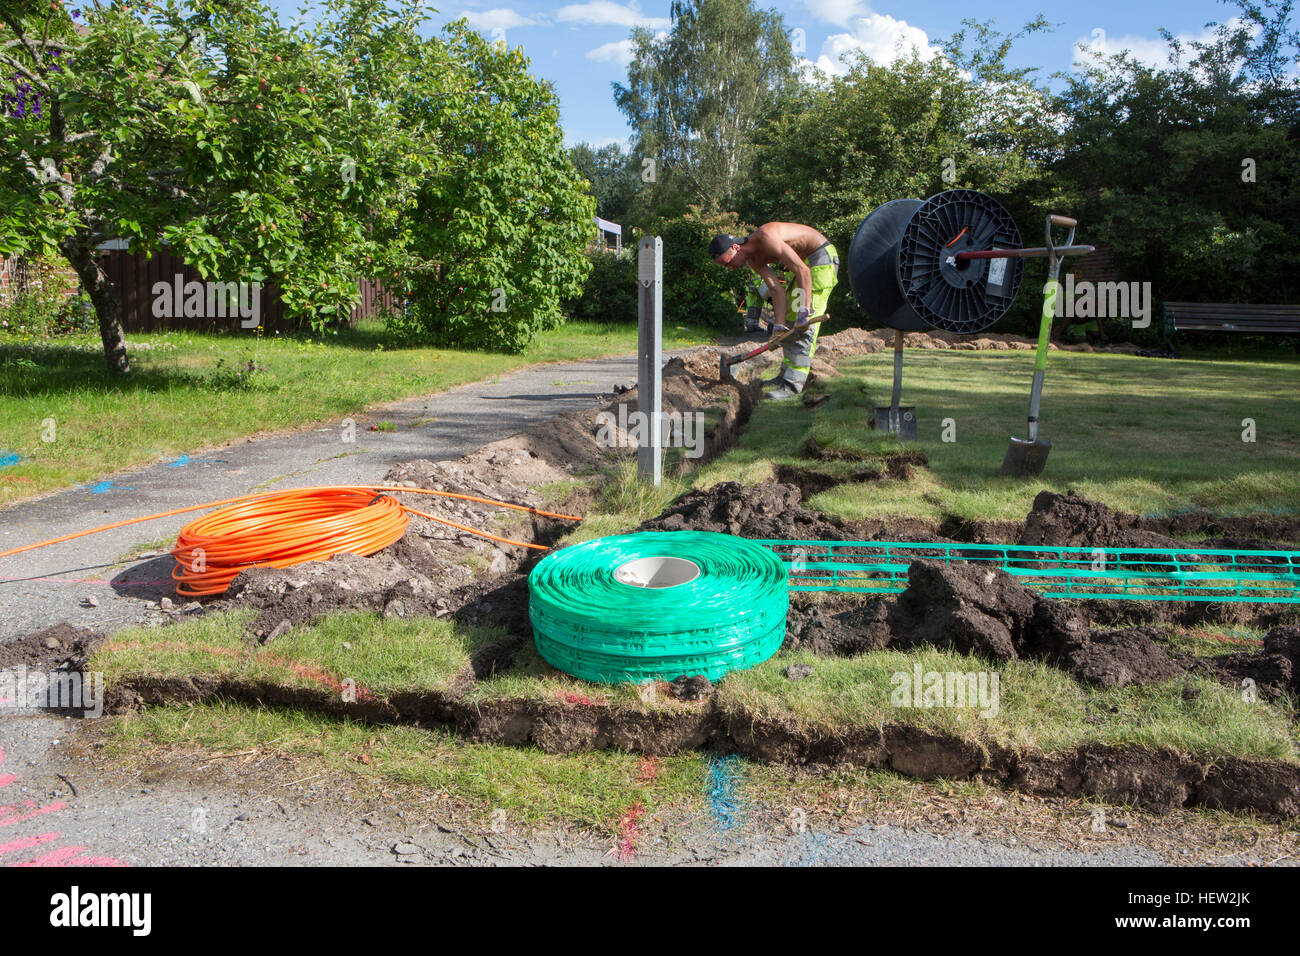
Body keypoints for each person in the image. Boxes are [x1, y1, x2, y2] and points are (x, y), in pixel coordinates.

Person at [710, 223, 839, 400]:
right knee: (789, 320)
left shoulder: (766, 237)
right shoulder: (754, 261)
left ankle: (793, 385)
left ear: (735, 248)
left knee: (804, 326)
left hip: (819, 258)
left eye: (728, 263)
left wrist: (804, 311)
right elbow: (776, 290)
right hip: (804, 263)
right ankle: (784, 376)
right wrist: (778, 326)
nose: (730, 268)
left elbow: (803, 270)